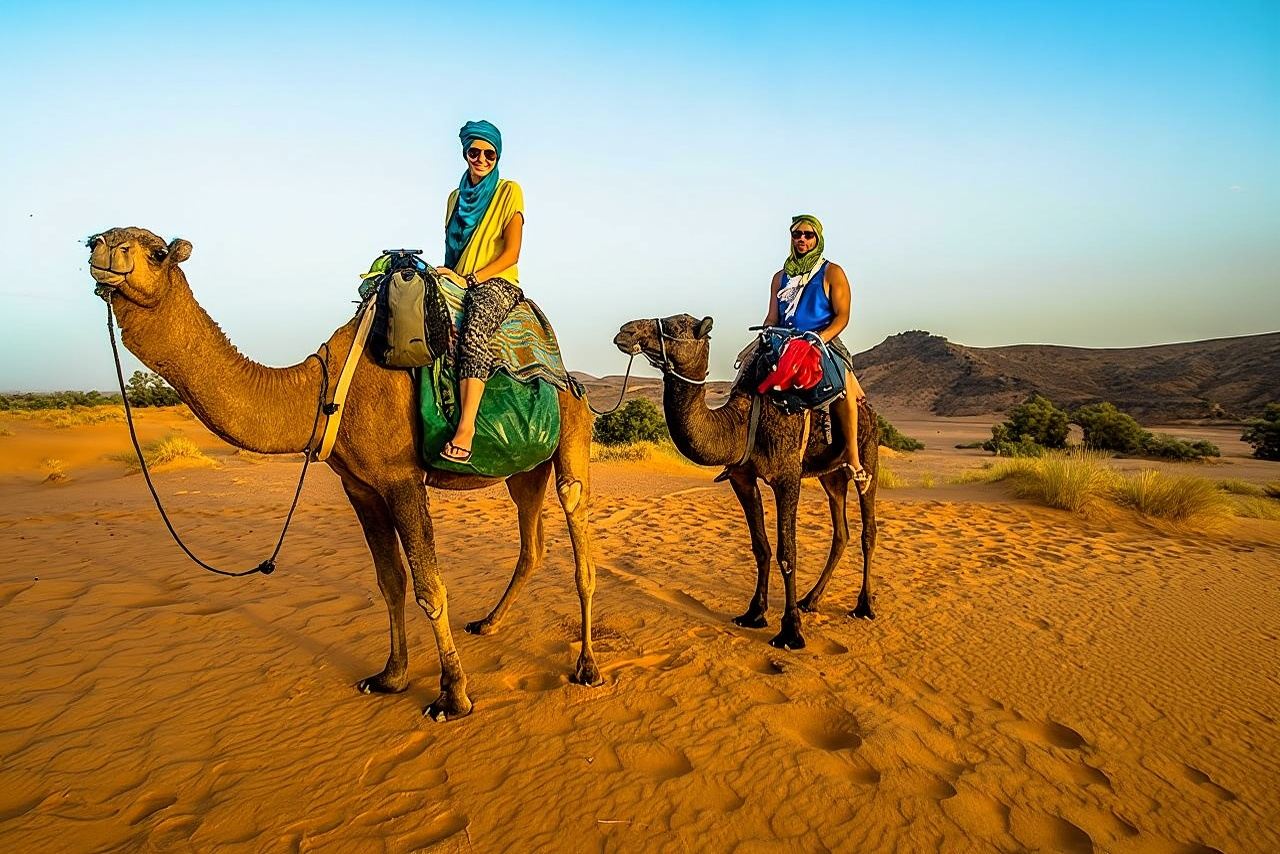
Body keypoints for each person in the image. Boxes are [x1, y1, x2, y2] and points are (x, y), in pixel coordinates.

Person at [434, 120, 525, 463]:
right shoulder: (453, 199)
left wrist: (471, 279)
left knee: (473, 333)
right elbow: (452, 249)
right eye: (475, 152)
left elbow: (511, 254)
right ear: (465, 154)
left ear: (497, 156)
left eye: (489, 153)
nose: (481, 159)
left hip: (497, 282)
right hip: (459, 278)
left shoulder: (508, 191)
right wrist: (447, 276)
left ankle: (466, 429)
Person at [762, 214, 872, 493]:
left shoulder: (832, 272)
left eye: (808, 235)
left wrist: (818, 339)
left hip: (824, 340)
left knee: (843, 386)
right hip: (785, 340)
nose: (802, 239)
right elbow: (772, 316)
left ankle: (854, 461)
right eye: (797, 234)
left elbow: (842, 317)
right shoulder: (780, 277)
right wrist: (766, 332)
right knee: (750, 374)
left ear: (818, 238)